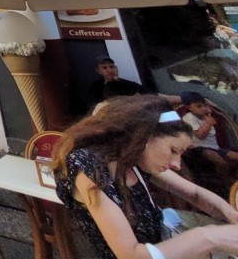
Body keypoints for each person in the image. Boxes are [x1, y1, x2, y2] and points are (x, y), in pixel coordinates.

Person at [53, 95, 238, 259]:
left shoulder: (133, 159)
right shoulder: (86, 166)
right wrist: (208, 237)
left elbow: (195, 194)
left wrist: (231, 215)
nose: (177, 164)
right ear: (144, 137)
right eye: (173, 151)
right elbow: (130, 254)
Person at [88, 57, 182, 111]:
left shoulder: (127, 84)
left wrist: (183, 98)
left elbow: (152, 95)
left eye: (111, 67)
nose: (109, 70)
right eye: (104, 68)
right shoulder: (96, 88)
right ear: (98, 71)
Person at [180, 90, 238, 172]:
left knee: (234, 157)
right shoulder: (189, 117)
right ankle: (227, 181)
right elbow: (200, 135)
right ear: (189, 108)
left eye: (204, 106)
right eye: (199, 106)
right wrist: (208, 124)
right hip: (198, 148)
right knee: (220, 162)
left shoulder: (206, 117)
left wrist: (209, 112)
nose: (203, 109)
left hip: (214, 147)